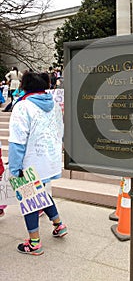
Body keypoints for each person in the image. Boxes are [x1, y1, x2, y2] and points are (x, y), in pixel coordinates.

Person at [8, 71, 67, 256]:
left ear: (25, 86)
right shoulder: (55, 105)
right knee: (39, 192)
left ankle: (34, 243)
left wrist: (15, 167)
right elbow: (61, 131)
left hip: (31, 160)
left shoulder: (23, 106)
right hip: (49, 158)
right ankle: (59, 225)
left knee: (30, 198)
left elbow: (17, 140)